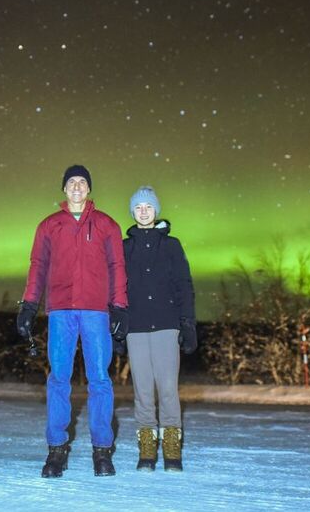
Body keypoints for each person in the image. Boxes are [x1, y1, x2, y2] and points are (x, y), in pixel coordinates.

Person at [16, 164, 129, 478]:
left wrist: (120, 306)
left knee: (100, 379)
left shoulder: (107, 224)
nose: (77, 186)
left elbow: (117, 266)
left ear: (89, 188)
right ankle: (56, 449)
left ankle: (102, 450)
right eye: (72, 182)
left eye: (82, 182)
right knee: (58, 378)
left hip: (96, 311)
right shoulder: (49, 225)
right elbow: (38, 266)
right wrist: (29, 304)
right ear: (64, 189)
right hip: (61, 311)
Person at [122, 185, 196, 472]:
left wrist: (187, 323)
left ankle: (172, 449)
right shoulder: (124, 247)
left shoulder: (172, 245)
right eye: (138, 207)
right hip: (136, 327)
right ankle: (147, 450)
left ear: (156, 210)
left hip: (167, 325)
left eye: (148, 207)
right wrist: (117, 326)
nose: (143, 212)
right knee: (142, 390)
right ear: (133, 212)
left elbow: (184, 286)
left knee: (167, 389)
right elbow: (117, 289)